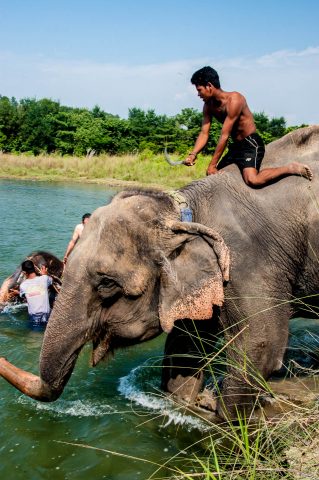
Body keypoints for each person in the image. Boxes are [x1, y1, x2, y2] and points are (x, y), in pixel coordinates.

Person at [184, 66, 313, 187]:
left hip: (250, 144)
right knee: (214, 176)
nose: (198, 94)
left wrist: (212, 164)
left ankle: (290, 167)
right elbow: (204, 133)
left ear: (209, 86)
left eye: (199, 90)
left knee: (252, 180)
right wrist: (193, 154)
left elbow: (224, 135)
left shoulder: (235, 100)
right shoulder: (208, 106)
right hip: (235, 147)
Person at [19, 260, 53, 324]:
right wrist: (45, 274)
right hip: (46, 315)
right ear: (34, 268)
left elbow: (23, 296)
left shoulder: (23, 285)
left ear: (24, 272)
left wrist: (17, 293)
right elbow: (51, 281)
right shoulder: (44, 279)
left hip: (34, 317)